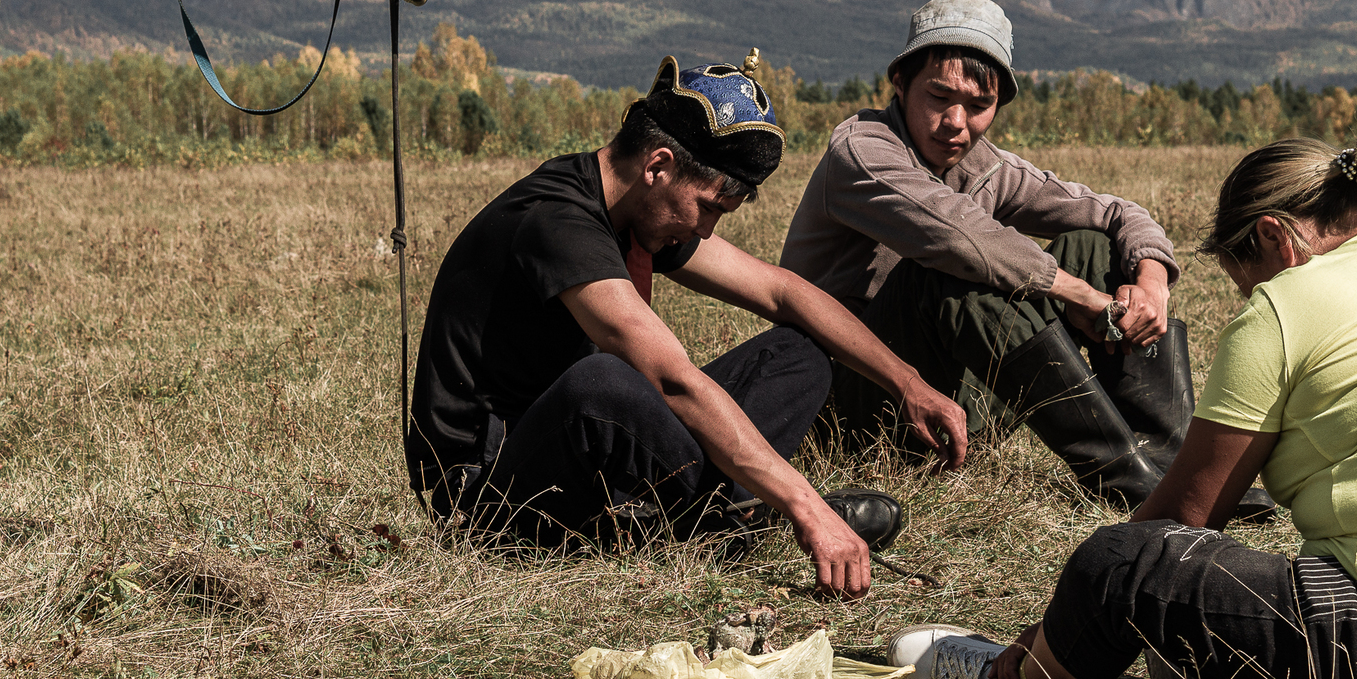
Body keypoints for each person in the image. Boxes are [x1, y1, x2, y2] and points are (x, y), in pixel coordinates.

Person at [891, 108, 1357, 679]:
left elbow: (1185, 519)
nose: (1248, 301)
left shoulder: (1286, 304)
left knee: (1118, 564)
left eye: (1244, 284)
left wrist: (1059, 623)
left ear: (1273, 238)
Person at [407, 53, 971, 597]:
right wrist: (804, 504)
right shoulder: (557, 221)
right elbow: (670, 379)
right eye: (707, 208)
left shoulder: (637, 207)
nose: (704, 232)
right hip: (487, 498)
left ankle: (716, 510)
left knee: (798, 353)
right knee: (604, 382)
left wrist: (907, 383)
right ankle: (739, 511)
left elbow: (783, 292)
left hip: (586, 463)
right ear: (658, 166)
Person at [781, 0, 1262, 513]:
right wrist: (1080, 296)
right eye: (939, 97)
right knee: (949, 272)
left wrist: (1151, 283)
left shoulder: (987, 167)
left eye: (979, 106)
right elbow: (959, 236)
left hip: (958, 397)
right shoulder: (862, 152)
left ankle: (1172, 464)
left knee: (1093, 244)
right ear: (900, 84)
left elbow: (1117, 213)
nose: (956, 122)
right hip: (856, 401)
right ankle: (1120, 477)